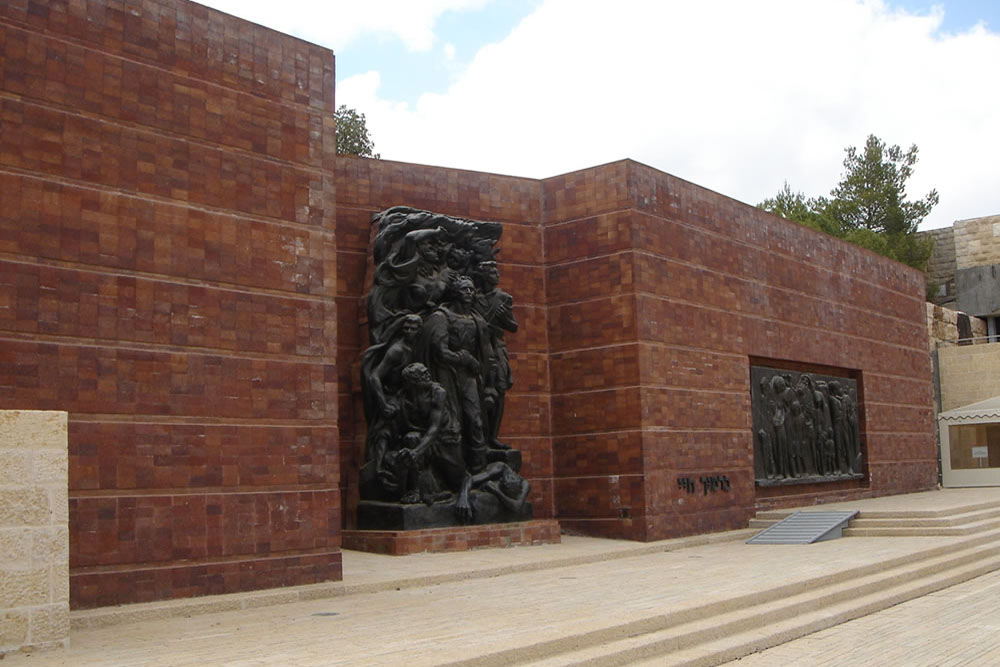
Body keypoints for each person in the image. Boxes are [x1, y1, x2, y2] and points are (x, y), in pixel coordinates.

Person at [423, 276, 493, 472]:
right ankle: (454, 471)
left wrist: (490, 383)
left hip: (470, 376)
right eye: (464, 289)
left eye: (471, 289)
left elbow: (488, 354)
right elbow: (439, 350)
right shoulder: (441, 317)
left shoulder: (477, 320)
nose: (469, 293)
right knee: (452, 423)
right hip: (446, 374)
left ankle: (479, 468)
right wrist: (464, 358)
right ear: (455, 292)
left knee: (475, 420)